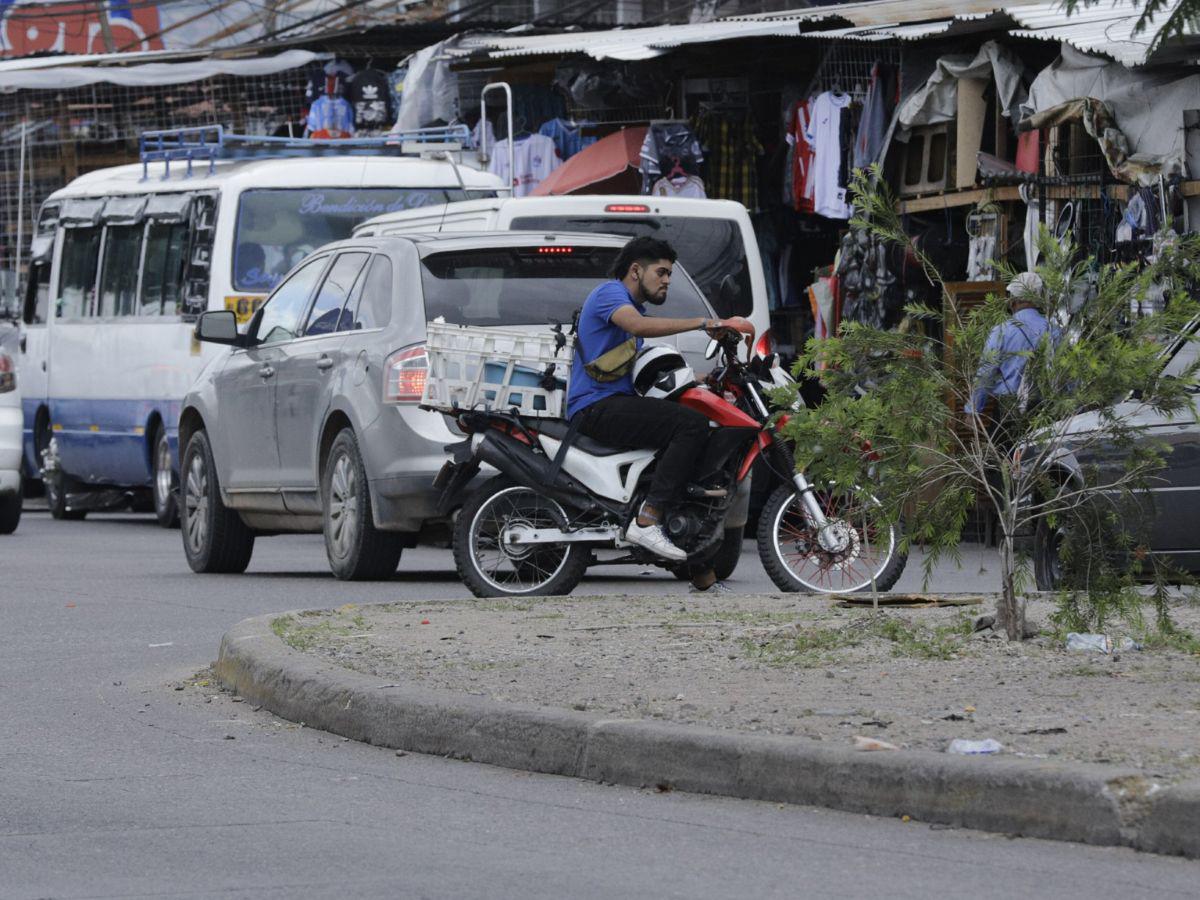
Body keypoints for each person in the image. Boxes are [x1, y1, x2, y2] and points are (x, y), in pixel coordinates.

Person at [568, 237, 730, 592]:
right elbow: (639, 328)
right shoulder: (611, 295)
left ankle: (703, 577)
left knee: (687, 436)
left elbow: (640, 368)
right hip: (595, 406)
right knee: (691, 426)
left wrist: (698, 379)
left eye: (669, 274)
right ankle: (648, 518)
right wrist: (702, 323)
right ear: (636, 270)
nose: (667, 281)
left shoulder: (629, 306)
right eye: (662, 272)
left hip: (613, 402)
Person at [966, 270, 1060, 448]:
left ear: (1013, 299)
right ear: (1039, 298)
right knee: (1040, 465)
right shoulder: (1054, 330)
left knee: (1002, 467)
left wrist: (973, 410)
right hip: (1045, 412)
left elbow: (986, 374)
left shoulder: (1001, 331)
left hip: (1008, 412)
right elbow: (1065, 374)